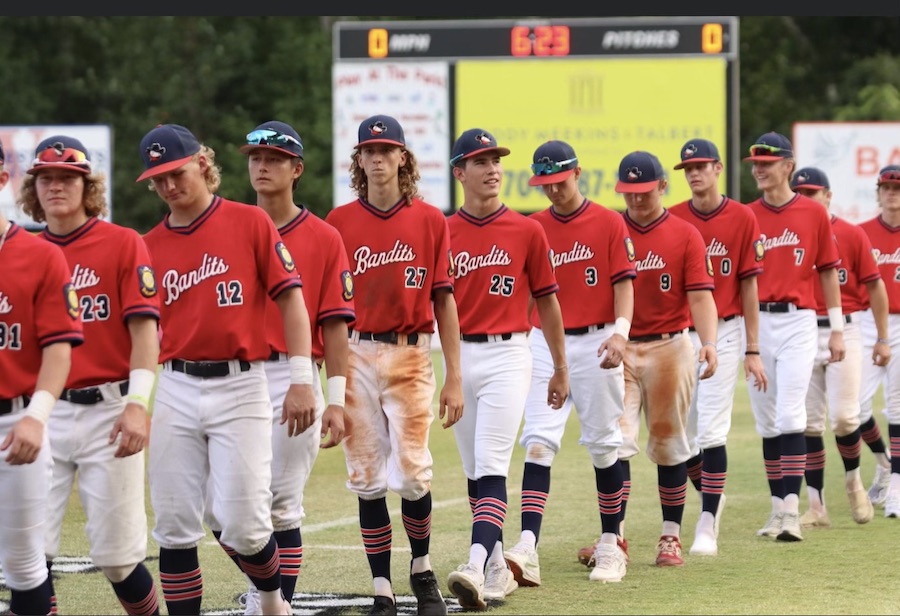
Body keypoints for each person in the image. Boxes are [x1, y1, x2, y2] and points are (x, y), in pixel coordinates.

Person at [137, 123, 316, 616]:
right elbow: (138, 333)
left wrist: (302, 377)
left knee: (245, 527)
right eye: (157, 179)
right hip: (174, 383)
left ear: (201, 163)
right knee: (174, 524)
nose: (169, 186)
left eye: (176, 172)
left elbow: (293, 302)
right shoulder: (147, 245)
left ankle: (272, 599)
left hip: (241, 384)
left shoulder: (249, 223)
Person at [206, 121, 355, 615]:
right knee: (217, 508)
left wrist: (335, 399)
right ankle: (272, 596)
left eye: (273, 158)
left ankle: (271, 604)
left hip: (293, 378)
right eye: (255, 157)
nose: (262, 166)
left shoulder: (324, 237)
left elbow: (334, 326)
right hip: (235, 378)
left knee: (280, 505)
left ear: (297, 169)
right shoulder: (226, 227)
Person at [17, 135, 162, 616]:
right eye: (46, 178)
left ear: (88, 186)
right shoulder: (25, 252)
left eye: (68, 178)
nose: (56, 186)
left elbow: (145, 332)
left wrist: (138, 404)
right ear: (32, 189)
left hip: (109, 409)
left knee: (119, 558)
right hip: (42, 411)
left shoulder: (123, 242)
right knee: (29, 550)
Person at [325, 114, 463, 616]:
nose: (378, 157)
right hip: (356, 350)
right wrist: (331, 382)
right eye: (370, 150)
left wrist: (455, 376)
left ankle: (421, 568)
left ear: (403, 157)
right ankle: (382, 587)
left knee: (411, 473)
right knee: (365, 474)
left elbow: (444, 300)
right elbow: (328, 308)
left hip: (409, 350)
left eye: (387, 149)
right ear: (358, 158)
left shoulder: (430, 220)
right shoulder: (337, 223)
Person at [445, 127, 568, 609]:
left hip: (510, 353)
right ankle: (497, 563)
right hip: (457, 357)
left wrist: (558, 365)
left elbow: (549, 303)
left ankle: (475, 562)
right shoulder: (443, 231)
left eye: (496, 160)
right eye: (480, 161)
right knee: (474, 471)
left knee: (493, 461)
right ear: (460, 172)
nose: (493, 168)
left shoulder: (526, 229)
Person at [502, 140, 635, 585]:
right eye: (545, 184)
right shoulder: (532, 226)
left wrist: (620, 330)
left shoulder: (609, 222)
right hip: (544, 342)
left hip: (598, 339)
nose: (553, 191)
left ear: (577, 173)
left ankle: (611, 543)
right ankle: (527, 545)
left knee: (603, 446)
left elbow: (623, 284)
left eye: (559, 181)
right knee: (538, 441)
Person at [612, 150, 718, 568]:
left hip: (669, 346)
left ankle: (670, 537)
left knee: (670, 444)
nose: (636, 200)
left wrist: (708, 341)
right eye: (628, 192)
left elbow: (700, 295)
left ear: (662, 187)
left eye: (644, 191)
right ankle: (613, 535)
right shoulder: (610, 228)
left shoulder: (685, 234)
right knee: (615, 443)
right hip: (619, 346)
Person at [667, 138, 768, 556]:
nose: (694, 173)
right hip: (677, 335)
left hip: (724, 330)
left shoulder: (742, 218)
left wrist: (753, 347)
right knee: (679, 435)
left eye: (701, 165)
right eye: (687, 167)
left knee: (711, 428)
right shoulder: (672, 217)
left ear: (718, 168)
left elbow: (748, 286)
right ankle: (714, 493)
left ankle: (707, 522)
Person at [743, 132, 844, 542]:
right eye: (755, 163)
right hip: (758, 324)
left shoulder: (813, 213)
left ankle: (790, 510)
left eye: (767, 162)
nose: (759, 169)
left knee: (790, 416)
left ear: (788, 166)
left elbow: (827, 270)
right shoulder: (746, 215)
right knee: (767, 422)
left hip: (800, 320)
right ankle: (775, 509)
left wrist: (836, 328)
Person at [0, 138, 84, 616]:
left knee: (25, 568)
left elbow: (57, 349)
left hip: (15, 423)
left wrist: (36, 416)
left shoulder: (38, 256)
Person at [789, 167, 886, 528]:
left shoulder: (850, 233)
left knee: (846, 416)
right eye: (801, 193)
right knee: (809, 423)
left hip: (846, 327)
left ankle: (853, 482)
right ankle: (816, 507)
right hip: (800, 329)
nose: (807, 199)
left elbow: (875, 287)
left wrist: (882, 337)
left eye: (813, 193)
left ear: (828, 196)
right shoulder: (791, 236)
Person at [858, 164, 900, 517]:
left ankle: (898, 486)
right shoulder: (863, 233)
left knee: (899, 406)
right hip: (868, 324)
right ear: (878, 192)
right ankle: (885, 463)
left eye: (897, 187)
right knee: (854, 408)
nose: (892, 193)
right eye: (886, 187)